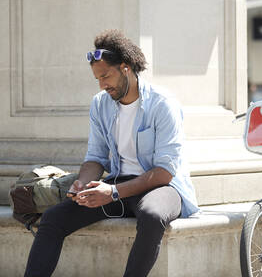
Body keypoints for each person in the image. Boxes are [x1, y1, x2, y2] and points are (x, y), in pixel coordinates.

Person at [24, 29, 199, 277]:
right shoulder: (100, 104)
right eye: (97, 79)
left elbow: (164, 173)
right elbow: (95, 157)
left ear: (125, 67)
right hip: (119, 185)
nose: (102, 85)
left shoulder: (163, 104)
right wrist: (82, 184)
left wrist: (113, 192)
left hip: (163, 189)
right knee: (53, 219)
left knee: (151, 216)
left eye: (106, 76)